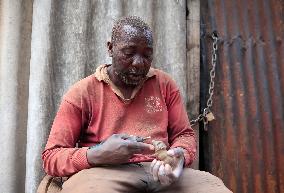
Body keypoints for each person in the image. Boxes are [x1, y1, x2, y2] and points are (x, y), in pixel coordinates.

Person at [40, 16, 232, 193]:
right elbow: (52, 157)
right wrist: (97, 154)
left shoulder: (165, 84)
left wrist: (179, 157)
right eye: (129, 53)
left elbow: (184, 135)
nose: (139, 63)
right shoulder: (82, 92)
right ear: (110, 48)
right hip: (103, 172)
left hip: (161, 172)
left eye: (147, 55)